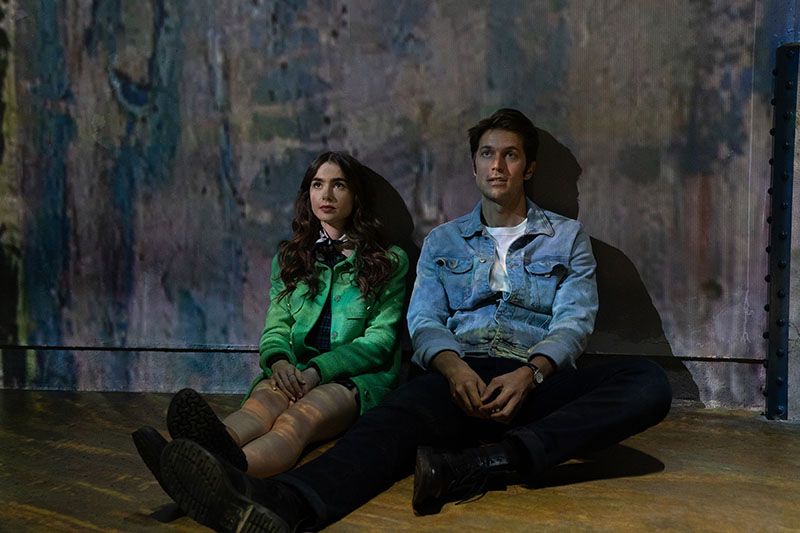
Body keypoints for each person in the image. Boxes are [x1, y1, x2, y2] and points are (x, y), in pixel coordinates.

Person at [157, 109, 672, 532]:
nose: (497, 166)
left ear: (528, 167)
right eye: (487, 154)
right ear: (474, 167)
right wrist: (453, 368)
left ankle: (481, 464)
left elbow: (574, 321)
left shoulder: (567, 237)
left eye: (510, 155)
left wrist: (531, 373)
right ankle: (279, 502)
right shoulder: (444, 241)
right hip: (455, 376)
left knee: (647, 382)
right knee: (381, 430)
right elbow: (424, 319)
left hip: (533, 380)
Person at [132, 151, 408, 495]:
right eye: (317, 185)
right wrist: (278, 361)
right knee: (258, 408)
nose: (326, 194)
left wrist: (318, 372)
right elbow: (276, 325)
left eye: (339, 185)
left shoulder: (388, 261)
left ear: (356, 196)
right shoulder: (292, 257)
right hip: (295, 368)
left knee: (297, 419)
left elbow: (379, 342)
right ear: (308, 194)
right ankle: (194, 459)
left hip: (355, 379)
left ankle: (226, 478)